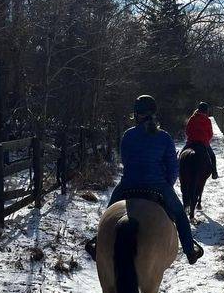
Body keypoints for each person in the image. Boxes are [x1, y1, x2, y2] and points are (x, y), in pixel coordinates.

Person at [85, 95, 203, 264]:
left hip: (128, 185)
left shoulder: (127, 136)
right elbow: (173, 168)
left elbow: (125, 161)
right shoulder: (164, 137)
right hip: (157, 186)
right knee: (180, 215)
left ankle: (98, 243)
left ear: (136, 115)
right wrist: (166, 185)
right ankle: (190, 251)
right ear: (155, 114)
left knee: (108, 213)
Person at [183, 101, 218, 179]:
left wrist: (192, 138)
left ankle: (179, 170)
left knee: (181, 155)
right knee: (212, 156)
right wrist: (205, 140)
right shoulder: (207, 120)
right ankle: (214, 173)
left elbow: (187, 131)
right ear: (206, 111)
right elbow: (210, 134)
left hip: (191, 142)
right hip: (204, 143)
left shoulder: (192, 118)